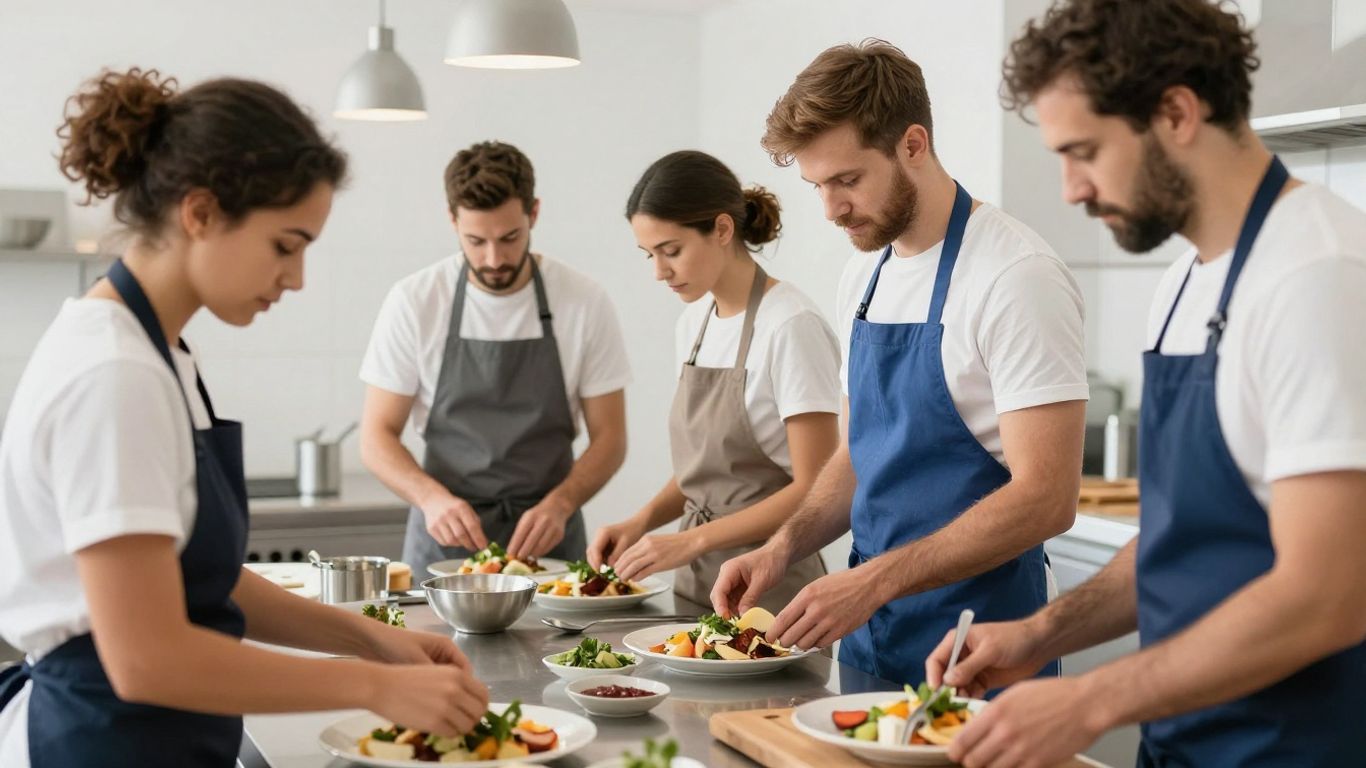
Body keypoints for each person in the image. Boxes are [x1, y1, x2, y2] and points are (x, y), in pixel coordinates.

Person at [0, 68, 488, 768]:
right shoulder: (114, 375)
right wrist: (375, 686)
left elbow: (204, 577)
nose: (296, 278)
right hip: (99, 744)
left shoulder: (163, 356)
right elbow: (146, 658)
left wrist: (372, 639)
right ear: (199, 212)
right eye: (285, 245)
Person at [925, 2, 1366, 766]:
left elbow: (1328, 595)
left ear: (1176, 112)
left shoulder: (1318, 276)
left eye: (1084, 151)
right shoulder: (1183, 284)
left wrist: (1093, 698)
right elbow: (1177, 539)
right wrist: (1043, 634)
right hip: (1180, 743)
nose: (1069, 189)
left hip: (1291, 747)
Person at [712, 40, 1089, 685]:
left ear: (913, 144)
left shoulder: (1015, 277)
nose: (830, 209)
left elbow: (1048, 498)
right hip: (868, 637)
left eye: (847, 180)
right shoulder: (865, 272)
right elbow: (862, 453)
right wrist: (782, 548)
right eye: (817, 186)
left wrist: (873, 581)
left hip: (982, 645)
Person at [360, 141, 630, 576]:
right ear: (452, 221)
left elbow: (611, 438)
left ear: (533, 214)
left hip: (550, 540)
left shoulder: (583, 301)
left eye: (510, 238)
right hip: (444, 543)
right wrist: (431, 499)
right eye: (475, 240)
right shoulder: (415, 301)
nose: (494, 259)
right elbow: (376, 437)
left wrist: (561, 504)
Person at [588, 150, 841, 610]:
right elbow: (704, 472)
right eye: (650, 254)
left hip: (768, 590)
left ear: (722, 229)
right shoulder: (695, 322)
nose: (658, 272)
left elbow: (817, 489)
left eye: (671, 251)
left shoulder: (791, 325)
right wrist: (641, 521)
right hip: (696, 581)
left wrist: (692, 541)